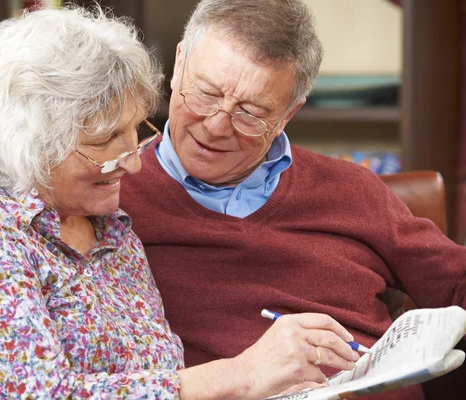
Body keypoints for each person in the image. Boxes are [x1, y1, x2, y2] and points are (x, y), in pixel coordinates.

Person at [0, 5, 360, 400]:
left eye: (134, 131)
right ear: (28, 140)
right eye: (107, 139)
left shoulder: (112, 230)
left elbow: (159, 377)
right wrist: (242, 374)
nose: (133, 164)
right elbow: (42, 395)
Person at [116, 0, 466, 399]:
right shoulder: (112, 198)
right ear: (179, 64)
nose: (215, 126)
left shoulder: (354, 191)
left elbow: (457, 283)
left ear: (288, 114)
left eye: (250, 113)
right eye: (206, 92)